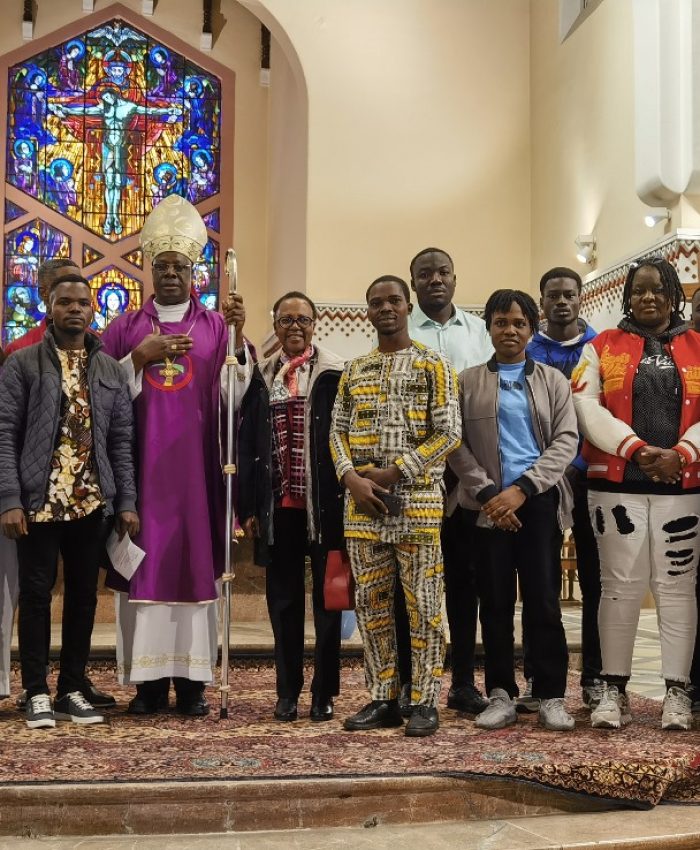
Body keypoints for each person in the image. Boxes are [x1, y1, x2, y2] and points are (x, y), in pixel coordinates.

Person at [101, 195, 251, 717]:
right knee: (145, 571)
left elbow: (235, 393)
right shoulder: (125, 328)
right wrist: (137, 359)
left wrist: (239, 340)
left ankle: (191, 684)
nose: (170, 274)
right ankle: (147, 686)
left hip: (197, 476)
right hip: (141, 474)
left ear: (193, 273)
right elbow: (98, 393)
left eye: (179, 267)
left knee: (194, 569)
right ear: (149, 268)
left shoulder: (214, 327)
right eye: (162, 266)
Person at [0, 274, 138, 729]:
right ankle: (36, 691)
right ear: (50, 307)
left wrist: (126, 501)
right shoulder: (21, 364)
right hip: (38, 503)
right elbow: (5, 434)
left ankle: (71, 688)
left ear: (92, 309)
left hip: (91, 502)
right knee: (36, 596)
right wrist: (9, 498)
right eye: (65, 302)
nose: (74, 309)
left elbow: (121, 441)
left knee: (83, 597)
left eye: (82, 302)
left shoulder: (111, 370)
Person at [330, 275, 461, 737]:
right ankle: (383, 696)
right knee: (371, 605)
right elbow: (336, 432)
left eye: (393, 300)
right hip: (362, 509)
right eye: (376, 302)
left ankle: (424, 699)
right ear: (367, 311)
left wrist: (395, 472)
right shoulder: (355, 370)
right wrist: (351, 478)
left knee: (424, 605)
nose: (385, 308)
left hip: (417, 505)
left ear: (408, 306)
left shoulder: (434, 364)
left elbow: (448, 432)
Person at [573, 257, 700, 731]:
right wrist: (637, 449)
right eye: (639, 290)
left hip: (681, 487)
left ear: (674, 295)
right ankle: (613, 689)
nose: (648, 297)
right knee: (619, 586)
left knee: (677, 587)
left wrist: (683, 453)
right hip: (616, 487)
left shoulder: (698, 345)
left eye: (658, 289)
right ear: (627, 295)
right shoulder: (601, 346)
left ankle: (677, 692)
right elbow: (586, 406)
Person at [448, 289, 577, 731]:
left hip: (536, 503)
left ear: (532, 330)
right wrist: (488, 493)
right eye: (501, 322)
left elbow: (566, 440)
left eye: (520, 323)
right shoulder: (467, 382)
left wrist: (523, 489)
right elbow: (455, 443)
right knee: (495, 601)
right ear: (488, 327)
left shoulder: (552, 381)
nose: (510, 330)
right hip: (485, 505)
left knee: (543, 600)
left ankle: (551, 694)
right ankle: (501, 693)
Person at [239, 292, 345, 722]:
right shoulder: (262, 375)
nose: (295, 327)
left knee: (329, 602)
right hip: (278, 507)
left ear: (315, 323)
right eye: (286, 320)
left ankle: (324, 692)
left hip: (326, 508)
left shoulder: (336, 373)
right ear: (275, 326)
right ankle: (287, 692)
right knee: (283, 603)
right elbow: (247, 444)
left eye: (303, 319)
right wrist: (248, 506)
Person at [397, 247, 493, 718]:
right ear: (413, 282)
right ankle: (409, 683)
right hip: (415, 478)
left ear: (455, 278)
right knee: (410, 585)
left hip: (466, 478)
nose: (435, 280)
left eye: (442, 272)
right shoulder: (401, 330)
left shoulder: (479, 332)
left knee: (464, 581)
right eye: (424, 274)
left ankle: (463, 682)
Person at [520, 267, 602, 713]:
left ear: (580, 297)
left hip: (590, 478)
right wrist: (550, 470)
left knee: (595, 581)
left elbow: (605, 412)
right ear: (542, 302)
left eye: (569, 294)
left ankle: (595, 677)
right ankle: (539, 677)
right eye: (553, 295)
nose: (562, 302)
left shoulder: (600, 348)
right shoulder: (527, 350)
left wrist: (578, 464)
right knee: (541, 583)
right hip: (540, 482)